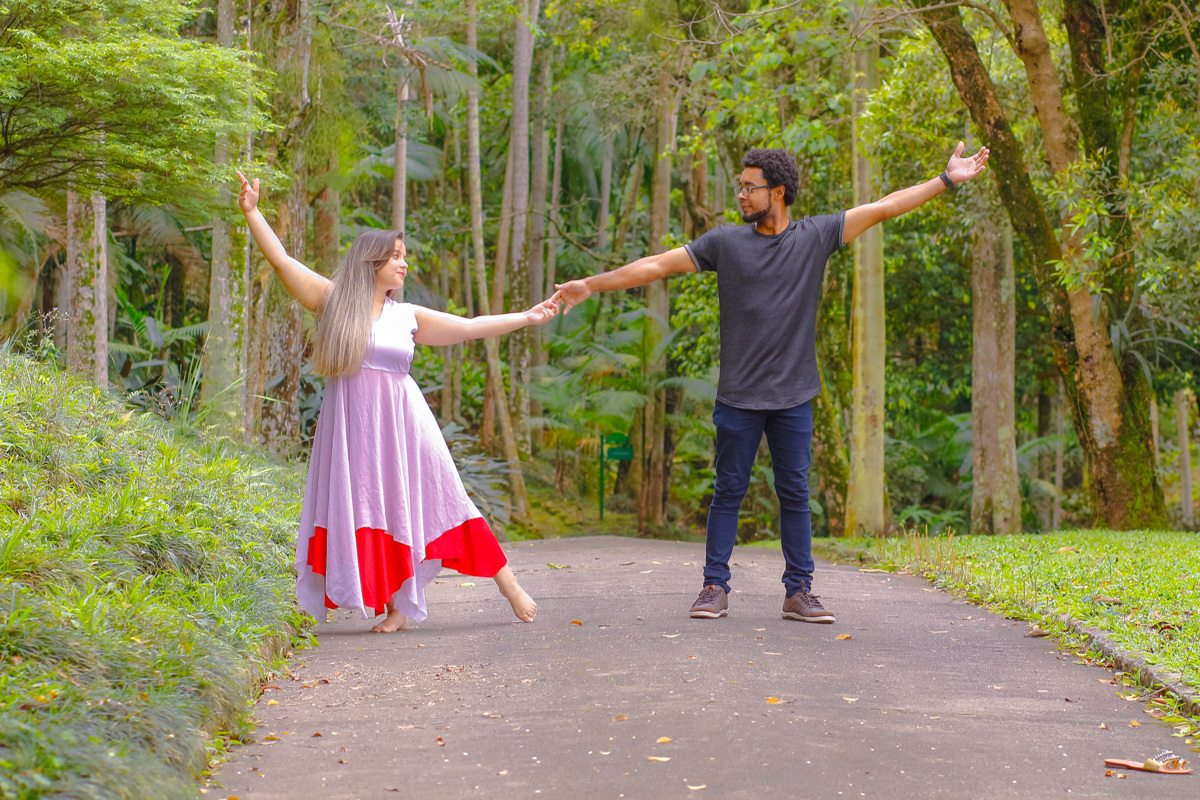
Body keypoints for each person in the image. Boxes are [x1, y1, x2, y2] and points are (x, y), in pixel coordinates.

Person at [551, 143, 990, 623]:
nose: (740, 194)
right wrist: (591, 284)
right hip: (738, 396)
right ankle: (714, 587)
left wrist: (945, 181)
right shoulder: (725, 243)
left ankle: (799, 592)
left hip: (794, 397)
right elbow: (656, 265)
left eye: (749, 187)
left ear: (777, 192)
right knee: (728, 491)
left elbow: (885, 206)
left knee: (795, 494)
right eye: (740, 186)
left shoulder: (817, 236)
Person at [236, 171, 558, 632]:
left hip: (405, 422)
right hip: (351, 426)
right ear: (373, 261)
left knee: (447, 498)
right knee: (371, 507)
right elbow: (284, 261)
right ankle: (397, 608)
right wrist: (252, 212)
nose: (404, 265)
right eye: (397, 256)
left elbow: (468, 326)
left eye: (404, 257)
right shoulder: (332, 302)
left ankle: (507, 583)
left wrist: (526, 317)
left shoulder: (406, 315)